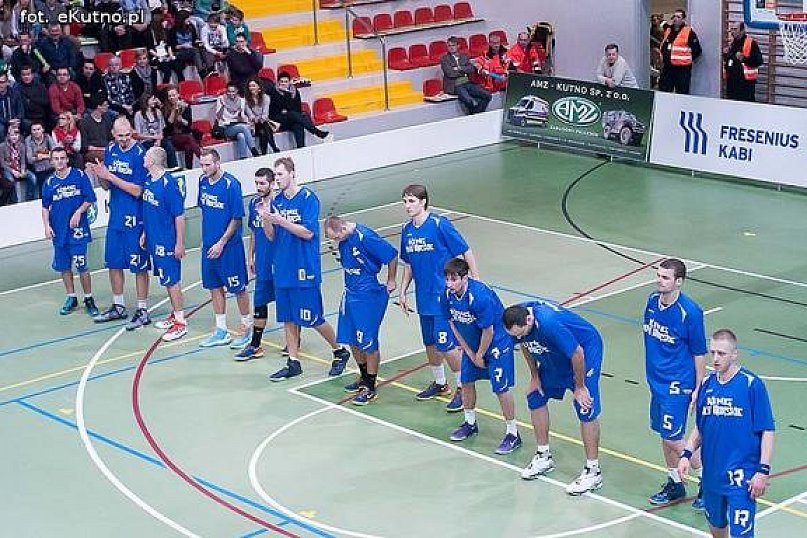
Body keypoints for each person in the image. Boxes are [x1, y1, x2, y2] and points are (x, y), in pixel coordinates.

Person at [678, 329, 775, 538]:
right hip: (713, 476)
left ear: (734, 354)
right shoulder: (707, 385)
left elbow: (767, 430)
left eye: (721, 353)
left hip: (742, 478)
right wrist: (686, 454)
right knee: (716, 527)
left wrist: (763, 471)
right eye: (712, 352)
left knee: (741, 534)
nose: (715, 358)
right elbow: (700, 428)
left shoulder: (751, 385)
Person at [503, 300, 605, 495]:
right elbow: (525, 344)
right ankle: (543, 456)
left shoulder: (549, 323)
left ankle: (593, 472)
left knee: (585, 407)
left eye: (521, 333)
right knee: (535, 396)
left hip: (585, 351)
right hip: (553, 351)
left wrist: (580, 387)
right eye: (515, 336)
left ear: (529, 320)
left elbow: (577, 354)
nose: (518, 337)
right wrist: (534, 377)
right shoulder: (518, 321)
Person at [263, 156, 351, 381]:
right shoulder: (277, 201)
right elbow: (271, 236)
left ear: (292, 173)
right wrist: (266, 219)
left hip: (304, 267)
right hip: (283, 267)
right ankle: (293, 362)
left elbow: (308, 232)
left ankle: (339, 350)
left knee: (312, 317)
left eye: (280, 174)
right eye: (275, 175)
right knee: (288, 317)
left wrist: (281, 221)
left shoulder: (308, 199)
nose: (277, 179)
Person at [399, 183, 477, 411]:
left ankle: (463, 387)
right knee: (430, 342)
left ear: (423, 202)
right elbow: (408, 264)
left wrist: (476, 281)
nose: (407, 206)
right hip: (423, 296)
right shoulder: (406, 230)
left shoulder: (439, 224)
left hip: (444, 296)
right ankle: (440, 383)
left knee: (445, 343)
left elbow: (465, 251)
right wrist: (403, 291)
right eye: (404, 202)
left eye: (411, 201)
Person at [644, 258, 708, 508]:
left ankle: (709, 481)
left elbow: (699, 352)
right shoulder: (652, 301)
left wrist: (698, 387)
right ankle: (675, 483)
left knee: (673, 437)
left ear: (678, 282)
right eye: (658, 275)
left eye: (665, 277)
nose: (659, 281)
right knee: (665, 433)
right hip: (656, 382)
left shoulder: (689, 312)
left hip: (677, 383)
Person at [443, 258, 520, 454]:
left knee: (500, 388)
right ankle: (470, 423)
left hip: (496, 343)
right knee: (466, 381)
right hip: (473, 345)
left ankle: (513, 433)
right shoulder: (447, 295)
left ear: (465, 277)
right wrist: (469, 352)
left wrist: (480, 355)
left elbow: (489, 330)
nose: (449, 284)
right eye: (447, 279)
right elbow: (452, 323)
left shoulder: (479, 296)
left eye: (454, 279)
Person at [325, 215, 398, 405]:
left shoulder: (366, 237)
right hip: (350, 294)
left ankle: (370, 387)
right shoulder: (344, 241)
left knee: (368, 342)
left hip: (368, 295)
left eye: (335, 237)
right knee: (351, 338)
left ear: (342, 229)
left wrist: (391, 280)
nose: (335, 241)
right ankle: (364, 377)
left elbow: (391, 254)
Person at [87, 117, 152, 330]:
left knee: (139, 265)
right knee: (113, 262)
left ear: (132, 132)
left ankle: (142, 309)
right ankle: (118, 305)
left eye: (127, 135)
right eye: (120, 136)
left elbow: (138, 190)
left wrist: (111, 177)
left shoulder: (140, 153)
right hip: (116, 215)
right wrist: (100, 175)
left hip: (135, 217)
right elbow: (106, 187)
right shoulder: (110, 150)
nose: (124, 139)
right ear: (113, 134)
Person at [196, 148, 253, 349]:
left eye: (207, 165)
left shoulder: (231, 184)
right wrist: (206, 240)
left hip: (229, 248)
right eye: (202, 165)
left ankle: (247, 327)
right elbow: (205, 212)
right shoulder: (202, 182)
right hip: (208, 246)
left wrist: (221, 242)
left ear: (217, 163)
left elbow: (236, 218)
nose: (204, 169)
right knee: (214, 286)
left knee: (238, 288)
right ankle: (221, 330)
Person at [41, 146, 99, 316]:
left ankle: (88, 298)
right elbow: (45, 207)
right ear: (51, 162)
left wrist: (79, 212)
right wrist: (46, 226)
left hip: (78, 230)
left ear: (67, 160)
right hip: (59, 231)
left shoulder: (78, 175)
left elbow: (90, 198)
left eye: (62, 158)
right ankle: (71, 297)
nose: (59, 161)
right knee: (64, 266)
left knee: (82, 265)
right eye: (56, 159)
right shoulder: (49, 182)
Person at [141, 146, 188, 342]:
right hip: (154, 239)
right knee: (165, 279)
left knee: (172, 280)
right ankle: (174, 314)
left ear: (153, 160)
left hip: (167, 241)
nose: (144, 157)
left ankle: (181, 322)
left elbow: (179, 215)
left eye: (146, 156)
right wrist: (145, 233)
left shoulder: (169, 184)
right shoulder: (148, 181)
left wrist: (179, 243)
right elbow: (149, 210)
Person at [234, 167, 278, 361]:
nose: (259, 187)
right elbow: (253, 231)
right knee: (259, 302)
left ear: (272, 183)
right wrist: (250, 256)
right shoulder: (254, 203)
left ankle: (294, 340)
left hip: (279, 261)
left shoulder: (279, 203)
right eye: (257, 183)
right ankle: (255, 345)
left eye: (262, 183)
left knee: (286, 302)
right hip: (262, 261)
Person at [268, 71, 331, 148]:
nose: (283, 84)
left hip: (292, 119)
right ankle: (316, 131)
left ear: (289, 82)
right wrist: (287, 94)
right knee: (293, 114)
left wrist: (287, 110)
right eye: (281, 82)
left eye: (286, 82)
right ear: (278, 83)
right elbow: (277, 109)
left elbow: (297, 108)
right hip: (278, 120)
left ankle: (301, 149)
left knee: (298, 124)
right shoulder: (273, 92)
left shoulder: (294, 91)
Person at [440, 36, 491, 115]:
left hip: (467, 83)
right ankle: (476, 115)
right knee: (470, 101)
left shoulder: (464, 56)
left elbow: (471, 69)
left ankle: (476, 114)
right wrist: (464, 71)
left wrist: (459, 68)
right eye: (449, 46)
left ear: (458, 46)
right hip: (455, 85)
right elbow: (450, 73)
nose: (451, 48)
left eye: (453, 45)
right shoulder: (444, 59)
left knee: (487, 95)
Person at [659, 9, 702, 94]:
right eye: (674, 16)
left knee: (682, 92)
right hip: (668, 68)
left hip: (682, 69)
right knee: (664, 90)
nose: (675, 19)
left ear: (683, 19)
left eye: (678, 17)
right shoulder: (669, 30)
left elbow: (697, 50)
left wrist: (687, 60)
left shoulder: (688, 32)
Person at [215, 81, 259, 159]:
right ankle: (254, 151)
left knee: (241, 135)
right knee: (243, 127)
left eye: (233, 91)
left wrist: (247, 121)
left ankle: (243, 157)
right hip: (225, 127)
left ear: (237, 91)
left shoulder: (241, 101)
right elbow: (218, 117)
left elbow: (242, 116)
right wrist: (222, 106)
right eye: (228, 91)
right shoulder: (221, 99)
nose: (230, 94)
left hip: (237, 125)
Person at [724, 22, 763, 102]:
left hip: (745, 85)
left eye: (735, 29)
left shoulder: (751, 43)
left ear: (742, 31)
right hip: (732, 83)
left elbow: (759, 61)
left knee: (746, 106)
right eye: (732, 29)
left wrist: (744, 59)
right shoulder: (733, 43)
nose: (732, 32)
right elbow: (730, 61)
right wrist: (726, 55)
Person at [163, 86, 200, 169]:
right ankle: (201, 157)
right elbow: (168, 126)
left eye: (174, 95)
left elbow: (188, 125)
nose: (172, 98)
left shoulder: (186, 106)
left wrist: (182, 120)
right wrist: (174, 110)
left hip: (183, 135)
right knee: (189, 138)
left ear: (178, 95)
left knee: (188, 147)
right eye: (170, 96)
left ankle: (189, 169)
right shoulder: (165, 108)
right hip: (171, 137)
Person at [0, 126, 37, 203]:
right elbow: (2, 164)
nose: (14, 137)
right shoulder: (2, 146)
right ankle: (15, 202)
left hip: (19, 168)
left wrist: (22, 170)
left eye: (16, 135)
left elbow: (23, 161)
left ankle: (29, 199)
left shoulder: (22, 146)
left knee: (33, 177)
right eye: (12, 135)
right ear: (8, 136)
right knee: (10, 180)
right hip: (8, 169)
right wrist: (13, 171)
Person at [244, 77, 279, 155]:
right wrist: (258, 118)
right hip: (253, 125)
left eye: (253, 86)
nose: (251, 88)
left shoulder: (265, 97)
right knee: (263, 127)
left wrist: (261, 118)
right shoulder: (246, 100)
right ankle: (274, 147)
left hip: (263, 123)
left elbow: (265, 114)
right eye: (250, 86)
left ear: (259, 87)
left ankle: (264, 153)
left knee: (263, 131)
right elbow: (250, 116)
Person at [79, 98, 114, 168]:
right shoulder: (84, 122)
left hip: (106, 149)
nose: (107, 106)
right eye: (105, 105)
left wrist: (110, 146)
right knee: (108, 157)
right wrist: (102, 149)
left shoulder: (107, 120)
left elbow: (111, 138)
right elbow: (85, 146)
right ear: (98, 106)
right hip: (91, 152)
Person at [15, 65, 51, 131]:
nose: (26, 77)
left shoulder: (40, 86)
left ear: (32, 75)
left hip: (40, 117)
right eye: (24, 75)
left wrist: (31, 99)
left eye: (28, 74)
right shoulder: (17, 88)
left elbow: (46, 101)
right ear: (20, 76)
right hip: (26, 118)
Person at [25, 121, 55, 198]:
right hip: (37, 168)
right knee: (43, 182)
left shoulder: (47, 137)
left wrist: (43, 156)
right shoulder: (28, 140)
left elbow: (55, 152)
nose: (36, 132)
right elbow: (29, 159)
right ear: (31, 131)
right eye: (34, 130)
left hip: (50, 166)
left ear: (43, 130)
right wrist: (46, 156)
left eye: (38, 129)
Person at [0, 71, 23, 140]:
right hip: (2, 121)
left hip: (15, 120)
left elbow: (20, 109)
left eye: (2, 82)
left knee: (28, 124)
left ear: (7, 82)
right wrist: (8, 121)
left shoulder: (15, 93)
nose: (0, 85)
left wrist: (17, 120)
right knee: (1, 128)